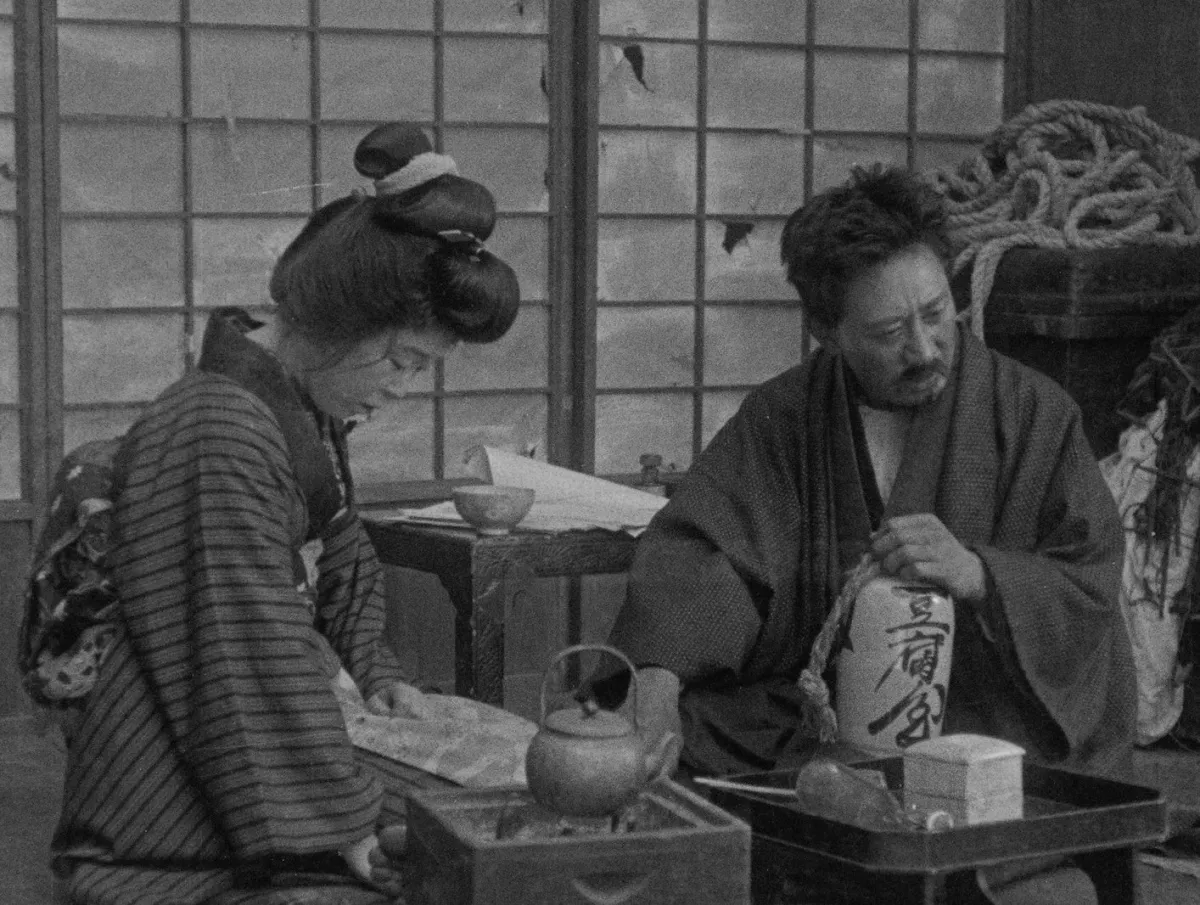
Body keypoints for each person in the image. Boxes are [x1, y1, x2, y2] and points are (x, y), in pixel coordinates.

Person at [600, 164, 1137, 902]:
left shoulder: (1032, 413)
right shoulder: (787, 415)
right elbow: (708, 549)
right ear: (828, 332)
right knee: (682, 737)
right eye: (889, 332)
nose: (925, 348)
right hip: (828, 708)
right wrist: (658, 675)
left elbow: (1089, 575)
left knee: (986, 782)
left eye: (936, 313)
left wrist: (980, 573)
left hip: (988, 708)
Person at [48, 123, 521, 905]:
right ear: (341, 318)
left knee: (516, 779)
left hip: (275, 721)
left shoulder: (300, 412)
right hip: (172, 792)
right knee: (487, 829)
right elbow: (245, 653)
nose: (401, 388)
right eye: (403, 360)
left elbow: (343, 562)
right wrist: (345, 825)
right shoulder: (217, 427)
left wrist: (375, 673)